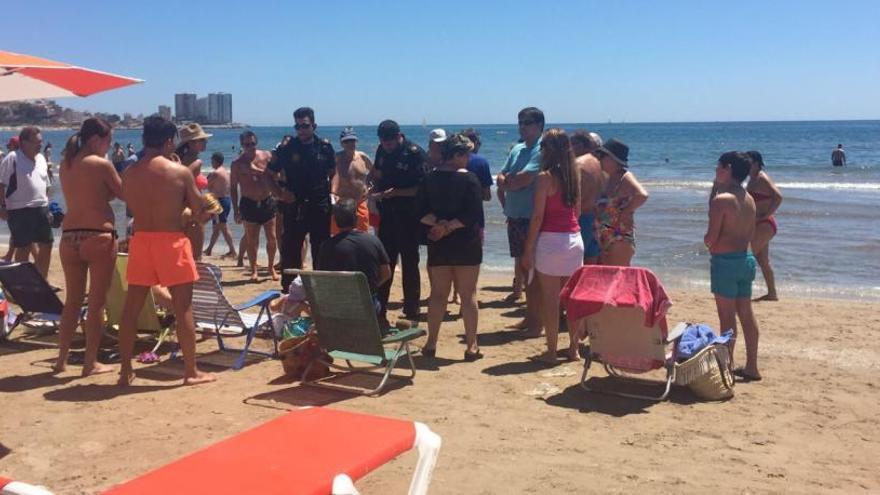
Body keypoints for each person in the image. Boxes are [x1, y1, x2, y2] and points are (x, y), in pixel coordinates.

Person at [117, 115, 215, 386]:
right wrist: (210, 204)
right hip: (171, 241)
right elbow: (200, 213)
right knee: (183, 308)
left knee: (131, 309)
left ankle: (125, 371)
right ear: (169, 140)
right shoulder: (179, 172)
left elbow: (131, 205)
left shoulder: (130, 173)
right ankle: (190, 371)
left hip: (142, 239)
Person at [51, 118, 121, 376]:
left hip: (69, 236)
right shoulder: (101, 164)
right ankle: (90, 363)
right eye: (108, 141)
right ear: (95, 140)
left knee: (72, 301)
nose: (109, 146)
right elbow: (124, 192)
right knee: (96, 303)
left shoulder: (65, 164)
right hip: (98, 234)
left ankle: (61, 361)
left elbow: (86, 193)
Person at [415, 134, 484, 361]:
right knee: (468, 295)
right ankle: (472, 345)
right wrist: (450, 227)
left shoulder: (428, 178)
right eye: (466, 154)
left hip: (439, 243)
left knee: (438, 295)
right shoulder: (470, 179)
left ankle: (431, 343)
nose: (468, 158)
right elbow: (472, 215)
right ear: (456, 155)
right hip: (466, 243)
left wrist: (440, 226)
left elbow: (419, 212)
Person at [522, 129, 583, 363]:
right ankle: (574, 349)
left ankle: (551, 351)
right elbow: (576, 211)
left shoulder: (545, 178)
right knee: (571, 299)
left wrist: (528, 249)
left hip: (550, 240)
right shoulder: (573, 174)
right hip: (573, 239)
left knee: (551, 300)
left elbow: (538, 216)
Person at [705, 151, 761, 382]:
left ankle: (726, 366)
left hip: (725, 262)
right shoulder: (748, 198)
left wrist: (708, 242)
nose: (716, 170)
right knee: (746, 314)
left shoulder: (722, 200)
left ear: (727, 168)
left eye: (719, 166)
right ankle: (752, 366)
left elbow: (711, 237)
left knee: (726, 317)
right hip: (745, 259)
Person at [267, 107, 335, 291]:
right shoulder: (287, 148)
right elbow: (269, 174)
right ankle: (290, 290)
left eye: (304, 126)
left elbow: (332, 172)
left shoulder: (325, 147)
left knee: (320, 248)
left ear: (314, 125)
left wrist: (331, 193)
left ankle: (321, 288)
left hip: (319, 204)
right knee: (291, 249)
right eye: (297, 126)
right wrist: (280, 194)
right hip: (294, 205)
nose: (301, 130)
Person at [370, 119, 427, 323]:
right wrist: (374, 189)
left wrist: (397, 193)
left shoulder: (415, 153)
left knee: (410, 264)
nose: (387, 145)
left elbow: (422, 188)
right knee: (385, 263)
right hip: (387, 216)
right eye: (384, 142)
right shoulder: (381, 151)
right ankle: (380, 310)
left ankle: (412, 310)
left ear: (399, 136)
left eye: (390, 142)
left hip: (409, 216)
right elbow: (378, 174)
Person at [496, 107, 545, 335]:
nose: (522, 127)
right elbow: (501, 177)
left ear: (538, 125)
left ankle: (536, 321)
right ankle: (529, 316)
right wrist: (509, 182)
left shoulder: (540, 149)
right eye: (520, 123)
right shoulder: (517, 148)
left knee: (533, 272)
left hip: (530, 217)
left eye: (527, 123)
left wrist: (510, 182)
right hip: (514, 216)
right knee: (524, 271)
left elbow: (523, 180)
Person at [317, 198, 391, 315]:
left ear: (335, 221)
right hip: (366, 305)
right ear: (356, 219)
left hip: (337, 305)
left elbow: (322, 279)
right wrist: (369, 288)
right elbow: (386, 273)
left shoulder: (326, 246)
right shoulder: (373, 241)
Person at [0, 127, 54, 278]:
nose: (40, 145)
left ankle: (41, 280)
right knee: (23, 247)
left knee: (47, 244)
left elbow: (46, 185)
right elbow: (1, 184)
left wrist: (48, 206)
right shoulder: (13, 158)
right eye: (36, 142)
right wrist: (2, 206)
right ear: (23, 143)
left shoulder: (42, 159)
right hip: (19, 209)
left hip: (41, 207)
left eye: (41, 142)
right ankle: (22, 281)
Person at [231, 131, 278, 281]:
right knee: (252, 239)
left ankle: (271, 267)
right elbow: (233, 187)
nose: (250, 147)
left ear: (256, 142)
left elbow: (275, 176)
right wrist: (236, 210)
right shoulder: (237, 164)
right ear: (242, 145)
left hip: (266, 200)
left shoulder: (266, 156)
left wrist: (257, 171)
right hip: (248, 202)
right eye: (246, 144)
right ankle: (254, 269)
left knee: (272, 237)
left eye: (252, 143)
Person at [594, 139, 648, 266]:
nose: (599, 159)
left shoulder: (625, 177)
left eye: (602, 156)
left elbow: (642, 195)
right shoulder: (604, 177)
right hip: (602, 236)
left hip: (619, 236)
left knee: (618, 278)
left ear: (614, 160)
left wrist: (627, 211)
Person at [745, 151, 782, 302]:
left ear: (756, 162)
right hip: (760, 224)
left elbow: (778, 197)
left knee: (747, 257)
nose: (746, 164)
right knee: (763, 261)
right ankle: (772, 294)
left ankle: (742, 293)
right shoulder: (752, 178)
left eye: (748, 161)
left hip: (765, 224)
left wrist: (766, 215)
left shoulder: (761, 177)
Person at [176, 124, 212, 261]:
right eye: (201, 140)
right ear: (191, 143)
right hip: (191, 213)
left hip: (180, 212)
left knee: (181, 256)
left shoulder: (178, 160)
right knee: (195, 258)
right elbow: (181, 184)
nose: (205, 142)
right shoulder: (196, 162)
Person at [570, 130, 604, 264]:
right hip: (595, 217)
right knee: (591, 264)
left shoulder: (578, 164)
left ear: (581, 145)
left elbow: (574, 196)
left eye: (572, 145)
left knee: (574, 264)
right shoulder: (598, 163)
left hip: (581, 217)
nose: (569, 149)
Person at [331, 128, 372, 233]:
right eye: (346, 141)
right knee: (338, 236)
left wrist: (370, 187)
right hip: (341, 205)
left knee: (362, 235)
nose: (350, 143)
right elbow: (330, 176)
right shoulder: (336, 158)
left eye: (352, 140)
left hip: (359, 203)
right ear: (341, 143)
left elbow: (374, 173)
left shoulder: (363, 157)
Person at [203, 151, 237, 258]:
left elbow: (206, 185)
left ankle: (233, 251)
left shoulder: (216, 173)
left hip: (219, 202)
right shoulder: (225, 171)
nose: (211, 162)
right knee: (216, 227)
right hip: (226, 200)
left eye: (212, 160)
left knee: (223, 226)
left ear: (215, 161)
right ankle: (209, 249)